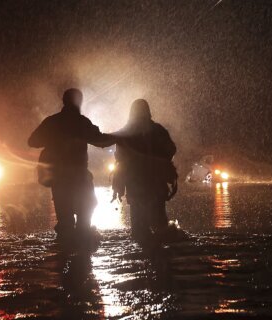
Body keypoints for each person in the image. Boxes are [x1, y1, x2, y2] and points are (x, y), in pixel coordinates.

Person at [28, 88, 115, 241]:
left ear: (64, 101)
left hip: (59, 179)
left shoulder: (52, 122)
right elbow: (101, 141)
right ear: (79, 102)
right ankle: (82, 257)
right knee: (85, 216)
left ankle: (64, 253)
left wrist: (52, 138)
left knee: (65, 221)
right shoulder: (82, 122)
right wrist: (121, 137)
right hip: (80, 177)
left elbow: (32, 141)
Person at [112, 99, 177, 242]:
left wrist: (118, 185)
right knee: (160, 225)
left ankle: (141, 259)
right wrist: (160, 161)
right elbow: (171, 149)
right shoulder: (158, 130)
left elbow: (120, 161)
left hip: (135, 185)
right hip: (156, 184)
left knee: (139, 230)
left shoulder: (126, 132)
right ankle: (161, 259)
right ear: (148, 111)